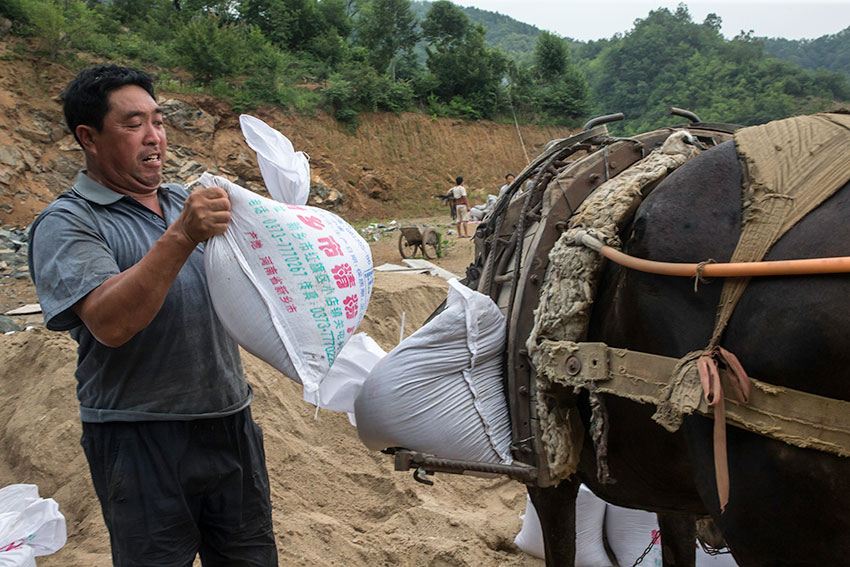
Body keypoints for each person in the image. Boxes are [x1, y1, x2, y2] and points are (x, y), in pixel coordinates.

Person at [27, 65, 278, 566]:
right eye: (133, 123)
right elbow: (110, 323)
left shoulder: (185, 202)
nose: (154, 138)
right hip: (137, 434)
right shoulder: (70, 222)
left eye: (159, 122)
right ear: (88, 137)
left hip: (229, 422)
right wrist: (181, 237)